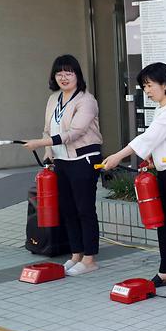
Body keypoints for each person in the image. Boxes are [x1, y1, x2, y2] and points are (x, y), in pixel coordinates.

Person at [101, 62, 166, 292]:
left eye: (149, 85)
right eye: (144, 86)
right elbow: (157, 141)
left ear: (165, 84)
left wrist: (119, 155)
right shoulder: (162, 109)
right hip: (165, 173)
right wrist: (150, 158)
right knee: (164, 224)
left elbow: (150, 136)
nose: (146, 90)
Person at [24, 55, 102, 276]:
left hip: (84, 160)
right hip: (61, 161)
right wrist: (48, 152)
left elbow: (75, 132)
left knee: (85, 209)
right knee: (68, 209)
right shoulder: (54, 99)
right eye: (59, 73)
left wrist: (41, 144)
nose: (64, 77)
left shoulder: (86, 100)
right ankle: (76, 254)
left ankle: (89, 259)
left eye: (69, 73)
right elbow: (47, 129)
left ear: (77, 75)